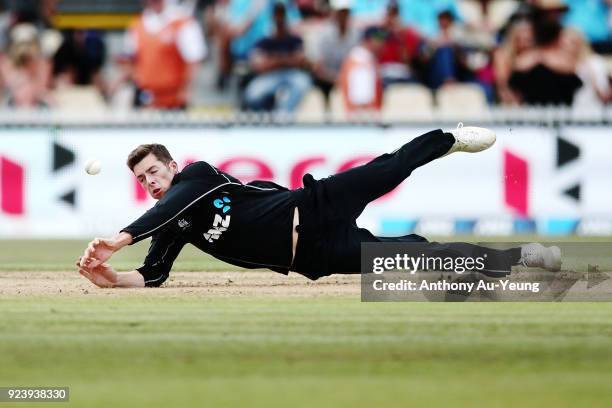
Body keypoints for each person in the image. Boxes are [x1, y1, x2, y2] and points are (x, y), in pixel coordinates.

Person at [77, 125, 562, 288]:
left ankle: (449, 138)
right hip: (315, 257)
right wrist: (114, 278)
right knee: (419, 254)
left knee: (391, 168)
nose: (152, 185)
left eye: (154, 174)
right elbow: (154, 273)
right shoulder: (174, 223)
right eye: (143, 182)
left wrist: (118, 237)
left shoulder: (197, 176)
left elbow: (176, 200)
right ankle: (521, 256)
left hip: (312, 206)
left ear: (173, 166)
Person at [121, 0, 206, 109]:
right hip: (145, 96)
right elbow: (129, 59)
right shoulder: (138, 24)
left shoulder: (182, 22)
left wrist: (187, 89)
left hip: (173, 98)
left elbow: (194, 59)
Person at [243, 2, 311, 113]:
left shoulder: (294, 39)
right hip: (269, 76)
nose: (279, 18)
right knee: (253, 93)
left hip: (291, 74)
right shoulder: (264, 39)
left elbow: (301, 61)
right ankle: (265, 118)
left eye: (282, 14)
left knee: (302, 83)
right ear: (272, 17)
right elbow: (259, 66)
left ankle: (282, 117)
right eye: (277, 14)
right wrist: (286, 59)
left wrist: (275, 60)